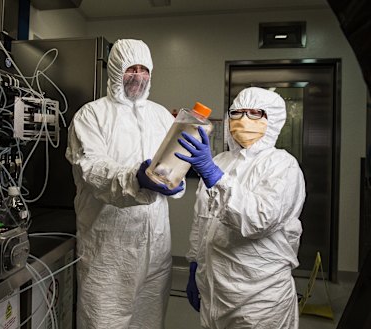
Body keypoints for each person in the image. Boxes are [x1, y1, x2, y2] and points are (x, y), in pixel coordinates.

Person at [65, 39, 185, 329]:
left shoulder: (160, 116)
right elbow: (92, 170)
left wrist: (177, 178)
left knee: (149, 322)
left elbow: (172, 164)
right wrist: (136, 179)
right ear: (116, 70)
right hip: (108, 251)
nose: (139, 76)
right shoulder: (91, 115)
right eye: (132, 69)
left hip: (156, 248)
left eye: (145, 70)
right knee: (103, 321)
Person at [176, 87, 306, 328]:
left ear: (273, 119)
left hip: (259, 300)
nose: (244, 120)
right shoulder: (220, 161)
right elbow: (202, 219)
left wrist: (215, 176)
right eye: (237, 112)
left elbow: (257, 221)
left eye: (256, 113)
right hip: (215, 293)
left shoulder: (282, 165)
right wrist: (194, 264)